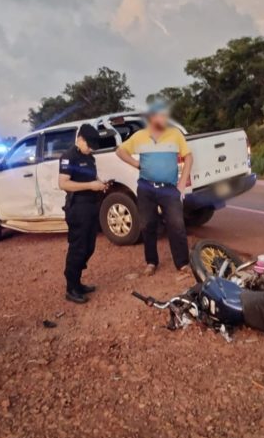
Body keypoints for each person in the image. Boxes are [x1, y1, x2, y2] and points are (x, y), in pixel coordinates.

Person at [116, 100, 193, 276]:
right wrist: (136, 164)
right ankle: (151, 262)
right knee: (147, 225)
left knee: (177, 226)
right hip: (146, 188)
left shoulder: (175, 134)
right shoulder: (139, 136)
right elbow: (120, 151)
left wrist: (182, 183)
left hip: (169, 189)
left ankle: (182, 264)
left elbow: (188, 157)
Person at [58, 124, 107, 303]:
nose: (91, 148)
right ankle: (71, 288)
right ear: (80, 139)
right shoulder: (68, 157)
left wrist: (99, 183)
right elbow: (63, 183)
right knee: (78, 248)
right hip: (77, 208)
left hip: (91, 206)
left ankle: (78, 283)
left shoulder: (90, 158)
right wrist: (89, 186)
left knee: (89, 247)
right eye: (89, 145)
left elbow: (90, 178)